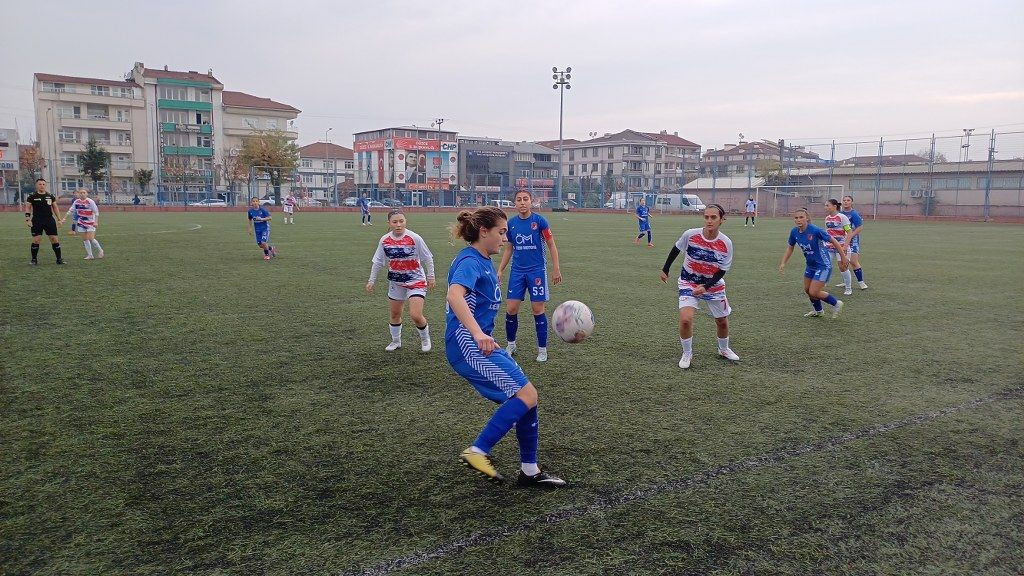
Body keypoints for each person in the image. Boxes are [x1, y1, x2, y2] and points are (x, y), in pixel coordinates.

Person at [446, 206, 566, 488]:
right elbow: (454, 295)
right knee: (524, 395)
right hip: (466, 344)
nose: (505, 237)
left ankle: (529, 471)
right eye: (501, 232)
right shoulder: (470, 261)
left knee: (528, 397)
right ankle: (477, 451)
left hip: (479, 343)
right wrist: (477, 333)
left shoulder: (484, 260)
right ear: (483, 232)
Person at [659, 204, 739, 369]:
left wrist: (706, 286)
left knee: (722, 321)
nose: (709, 220)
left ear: (721, 220)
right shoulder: (690, 235)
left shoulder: (726, 243)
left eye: (713, 217)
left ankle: (723, 349)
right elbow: (676, 249)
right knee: (686, 319)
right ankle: (687, 353)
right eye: (706, 217)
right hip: (688, 281)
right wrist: (665, 269)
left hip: (713, 285)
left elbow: (722, 270)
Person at [496, 189, 562, 362]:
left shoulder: (540, 221)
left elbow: (551, 245)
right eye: (519, 199)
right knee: (511, 308)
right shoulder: (511, 224)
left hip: (537, 271)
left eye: (526, 199)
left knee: (537, 309)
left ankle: (542, 349)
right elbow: (509, 247)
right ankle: (511, 345)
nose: (522, 202)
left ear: (531, 201)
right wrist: (501, 269)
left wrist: (556, 268)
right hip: (517, 271)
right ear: (515, 203)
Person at [366, 209, 435, 352]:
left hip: (416, 280)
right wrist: (371, 281)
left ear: (405, 221)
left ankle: (425, 339)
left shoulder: (414, 237)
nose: (398, 224)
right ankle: (396, 341)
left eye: (401, 221)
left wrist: (431, 276)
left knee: (415, 314)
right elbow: (378, 262)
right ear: (389, 223)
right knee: (395, 314)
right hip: (396, 281)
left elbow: (427, 257)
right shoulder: (385, 240)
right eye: (395, 222)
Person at [778, 207, 848, 318]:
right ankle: (818, 311)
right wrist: (783, 263)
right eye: (796, 218)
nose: (798, 220)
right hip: (810, 265)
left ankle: (836, 303)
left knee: (814, 291)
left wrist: (843, 257)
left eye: (801, 217)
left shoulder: (815, 230)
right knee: (807, 290)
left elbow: (834, 241)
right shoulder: (794, 232)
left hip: (823, 265)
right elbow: (790, 247)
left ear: (807, 218)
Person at [24, 178, 64, 265]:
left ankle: (59, 259)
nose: (42, 186)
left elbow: (55, 207)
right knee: (36, 240)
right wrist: (28, 219)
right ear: (36, 185)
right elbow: (28, 208)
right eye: (40, 184)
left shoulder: (50, 196)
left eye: (43, 184)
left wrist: (59, 219)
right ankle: (34, 260)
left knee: (54, 239)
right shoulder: (32, 196)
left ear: (45, 185)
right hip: (37, 220)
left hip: (49, 220)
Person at [836, 195, 868, 290]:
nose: (846, 202)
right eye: (844, 200)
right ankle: (845, 282)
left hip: (853, 241)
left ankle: (861, 282)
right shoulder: (840, 214)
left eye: (848, 200)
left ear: (852, 202)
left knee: (853, 261)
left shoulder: (854, 214)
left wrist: (851, 236)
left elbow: (859, 227)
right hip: (842, 241)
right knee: (843, 262)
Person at [823, 199, 853, 295]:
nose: (826, 207)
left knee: (842, 267)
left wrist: (845, 246)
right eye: (825, 206)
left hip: (841, 247)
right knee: (825, 265)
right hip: (829, 247)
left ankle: (848, 288)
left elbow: (849, 232)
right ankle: (823, 283)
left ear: (834, 206)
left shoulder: (842, 217)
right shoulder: (827, 218)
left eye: (828, 205)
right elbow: (828, 233)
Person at [65, 188, 104, 260]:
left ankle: (100, 250)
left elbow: (96, 212)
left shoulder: (90, 201)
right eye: (81, 193)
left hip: (90, 223)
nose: (82, 194)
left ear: (86, 194)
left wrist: (96, 222)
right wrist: (64, 218)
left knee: (91, 238)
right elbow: (71, 210)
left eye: (84, 192)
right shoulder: (76, 202)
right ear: (78, 194)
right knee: (85, 239)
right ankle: (90, 255)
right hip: (81, 223)